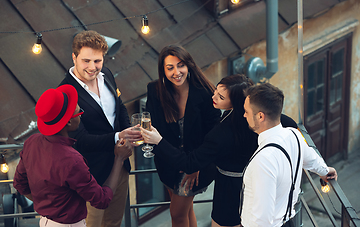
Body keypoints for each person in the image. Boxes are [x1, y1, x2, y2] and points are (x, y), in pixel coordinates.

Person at [142, 74, 299, 227]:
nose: (214, 97)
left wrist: (158, 141)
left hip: (229, 192)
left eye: (221, 97)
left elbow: (189, 164)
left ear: (236, 102)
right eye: (216, 91)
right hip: (255, 185)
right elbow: (291, 124)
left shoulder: (221, 133)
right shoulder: (260, 119)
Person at [13, 85, 132, 227]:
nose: (81, 114)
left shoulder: (31, 142)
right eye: (78, 112)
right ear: (69, 122)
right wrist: (119, 159)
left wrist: (48, 207)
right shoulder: (72, 160)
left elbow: (19, 184)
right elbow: (102, 200)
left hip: (45, 222)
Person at [59, 30, 142, 227]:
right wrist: (117, 136)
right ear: (74, 57)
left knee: (114, 222)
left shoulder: (107, 74)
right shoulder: (64, 92)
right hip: (91, 175)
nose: (92, 67)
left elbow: (120, 106)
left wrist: (128, 133)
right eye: (86, 60)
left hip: (120, 165)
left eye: (97, 61)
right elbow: (80, 139)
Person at [241, 83, 337, 227]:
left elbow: (262, 220)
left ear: (260, 116)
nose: (244, 115)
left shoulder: (263, 161)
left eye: (246, 111)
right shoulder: (294, 135)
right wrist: (325, 171)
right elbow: (312, 160)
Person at [145, 45, 221, 227]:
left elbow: (213, 136)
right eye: (170, 67)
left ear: (189, 66)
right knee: (186, 211)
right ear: (163, 70)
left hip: (196, 166)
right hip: (169, 162)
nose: (176, 72)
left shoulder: (205, 93)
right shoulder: (155, 91)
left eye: (181, 65)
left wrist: (195, 164)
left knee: (177, 214)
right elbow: (151, 123)